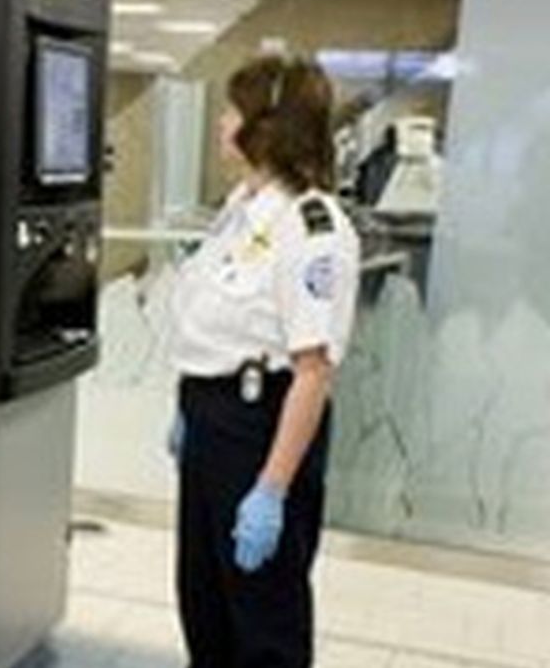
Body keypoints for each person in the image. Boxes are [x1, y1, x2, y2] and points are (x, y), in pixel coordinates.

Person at [167, 54, 360, 667]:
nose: (222, 122)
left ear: (266, 127)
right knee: (204, 600)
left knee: (264, 616)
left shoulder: (312, 227)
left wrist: (271, 489)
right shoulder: (242, 209)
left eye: (233, 111)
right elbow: (210, 314)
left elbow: (313, 370)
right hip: (211, 417)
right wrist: (191, 403)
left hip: (263, 426)